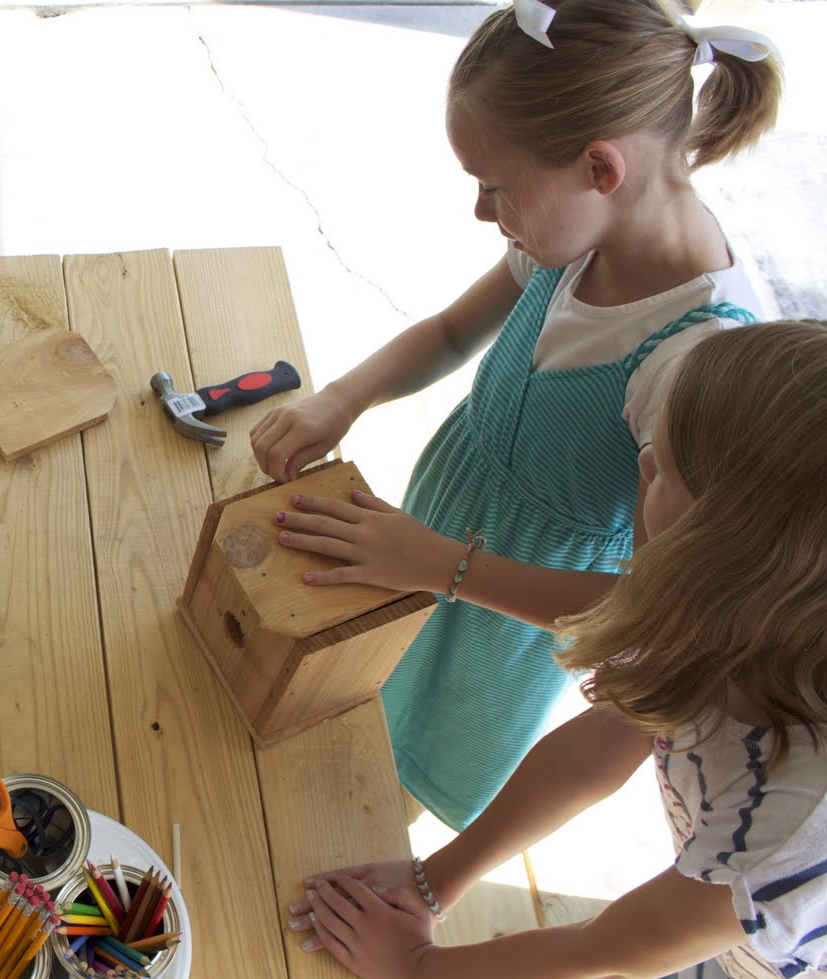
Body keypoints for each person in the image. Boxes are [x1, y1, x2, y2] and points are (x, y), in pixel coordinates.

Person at [250, 0, 782, 829]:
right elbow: (453, 329)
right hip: (433, 540)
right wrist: (340, 398)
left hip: (505, 627)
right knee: (352, 699)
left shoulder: (694, 362)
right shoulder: (576, 233)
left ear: (600, 169)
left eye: (492, 187)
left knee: (388, 787)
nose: (480, 211)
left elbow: (646, 607)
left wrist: (443, 565)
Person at [287, 320, 827, 979]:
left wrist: (421, 972)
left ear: (730, 546)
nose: (639, 465)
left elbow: (615, 949)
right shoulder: (725, 601)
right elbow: (592, 752)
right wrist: (432, 882)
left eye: (664, 471)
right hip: (736, 936)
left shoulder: (793, 818)